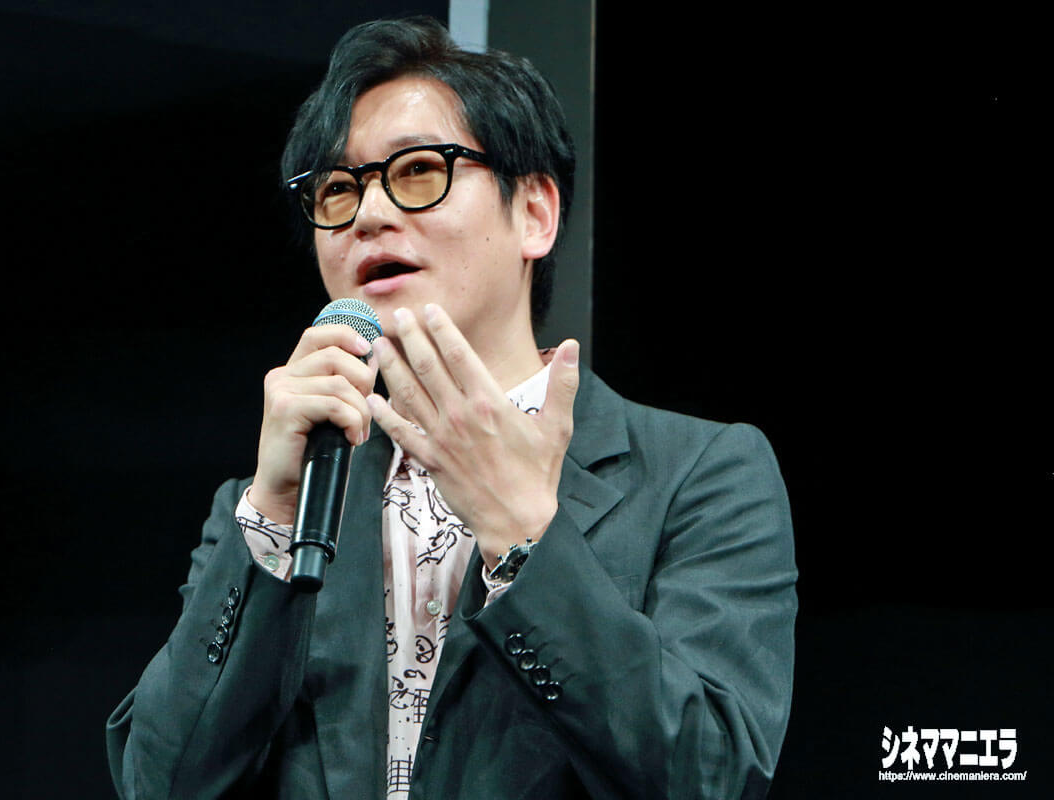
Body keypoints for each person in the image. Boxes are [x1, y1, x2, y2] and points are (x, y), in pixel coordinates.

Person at [106, 16, 797, 800]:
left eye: (417, 171)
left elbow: (710, 776)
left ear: (535, 213)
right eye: (338, 189)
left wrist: (523, 537)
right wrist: (271, 514)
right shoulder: (276, 504)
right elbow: (159, 783)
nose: (368, 215)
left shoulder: (698, 475)